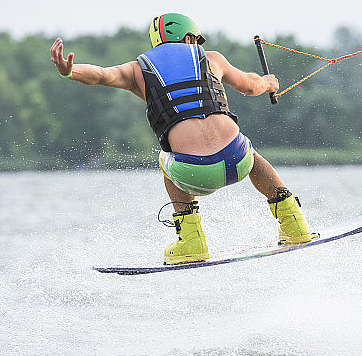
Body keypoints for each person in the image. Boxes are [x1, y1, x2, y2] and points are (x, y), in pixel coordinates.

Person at [50, 13, 315, 265]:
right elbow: (250, 85)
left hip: (193, 173)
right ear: (189, 39)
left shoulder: (137, 70)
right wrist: (269, 83)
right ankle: (295, 225)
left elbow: (101, 74)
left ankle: (192, 243)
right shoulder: (212, 58)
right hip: (238, 162)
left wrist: (69, 71)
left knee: (165, 158)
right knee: (248, 148)